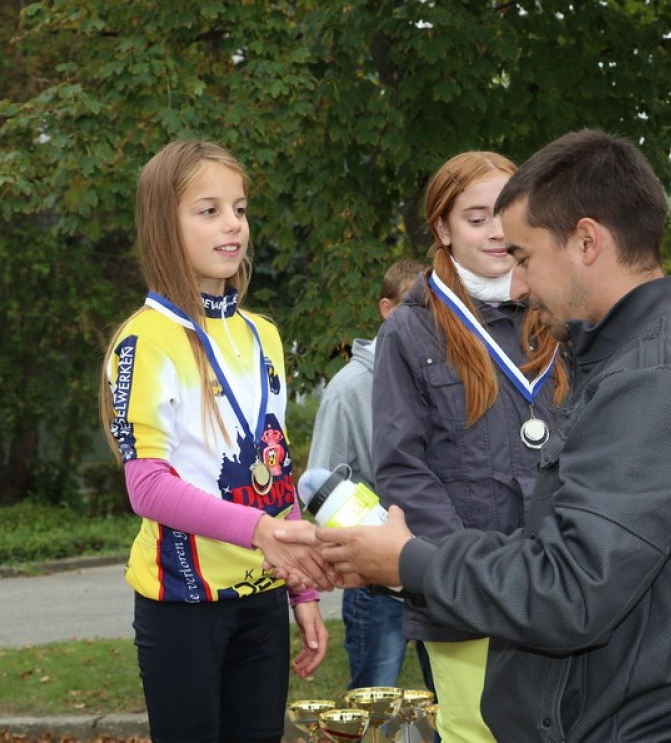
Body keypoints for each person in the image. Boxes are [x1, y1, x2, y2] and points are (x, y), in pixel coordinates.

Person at [276, 128, 671, 741]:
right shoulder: (615, 357)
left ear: (587, 241)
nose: (517, 285)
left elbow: (572, 589)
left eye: (524, 256)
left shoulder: (645, 381)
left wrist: (415, 562)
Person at [99, 139, 328, 743]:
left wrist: (301, 585)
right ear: (162, 225)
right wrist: (261, 533)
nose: (232, 225)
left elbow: (275, 469)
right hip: (184, 604)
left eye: (241, 209)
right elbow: (148, 489)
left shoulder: (265, 335)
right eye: (209, 210)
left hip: (263, 594)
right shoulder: (144, 341)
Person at [364, 152, 567, 743]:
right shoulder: (410, 329)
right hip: (465, 593)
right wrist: (467, 574)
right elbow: (403, 469)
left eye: (506, 213)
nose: (497, 232)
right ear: (443, 229)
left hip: (558, 583)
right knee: (478, 733)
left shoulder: (559, 311)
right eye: (476, 218)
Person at [306, 259, 437, 695]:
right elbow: (318, 487)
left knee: (450, 702)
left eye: (436, 307)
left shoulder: (446, 374)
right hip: (375, 584)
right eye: (412, 307)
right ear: (386, 308)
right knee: (373, 700)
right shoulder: (348, 389)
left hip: (435, 566)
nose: (426, 320)